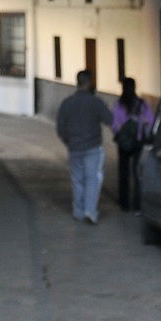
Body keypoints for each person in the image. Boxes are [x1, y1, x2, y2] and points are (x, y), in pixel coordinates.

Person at [55, 69, 116, 222]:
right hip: (93, 147)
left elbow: (60, 127)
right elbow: (109, 120)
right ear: (89, 82)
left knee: (77, 180)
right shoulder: (96, 102)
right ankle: (90, 211)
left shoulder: (67, 103)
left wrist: (68, 141)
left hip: (74, 147)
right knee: (92, 179)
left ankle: (78, 211)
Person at [109, 77, 156, 211]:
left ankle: (124, 203)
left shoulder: (119, 104)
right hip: (138, 141)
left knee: (123, 173)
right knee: (137, 173)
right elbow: (150, 121)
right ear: (134, 87)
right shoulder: (142, 104)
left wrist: (121, 133)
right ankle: (138, 205)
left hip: (123, 143)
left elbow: (114, 124)